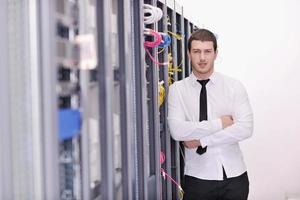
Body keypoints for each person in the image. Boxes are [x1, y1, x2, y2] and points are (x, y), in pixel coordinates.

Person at [167, 28, 253, 200]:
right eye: (197, 51)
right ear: (189, 53)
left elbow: (245, 128)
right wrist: (221, 123)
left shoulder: (233, 86)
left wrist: (202, 140)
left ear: (215, 53)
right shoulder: (177, 90)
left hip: (235, 177)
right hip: (198, 179)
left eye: (207, 51)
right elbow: (177, 130)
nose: (202, 58)